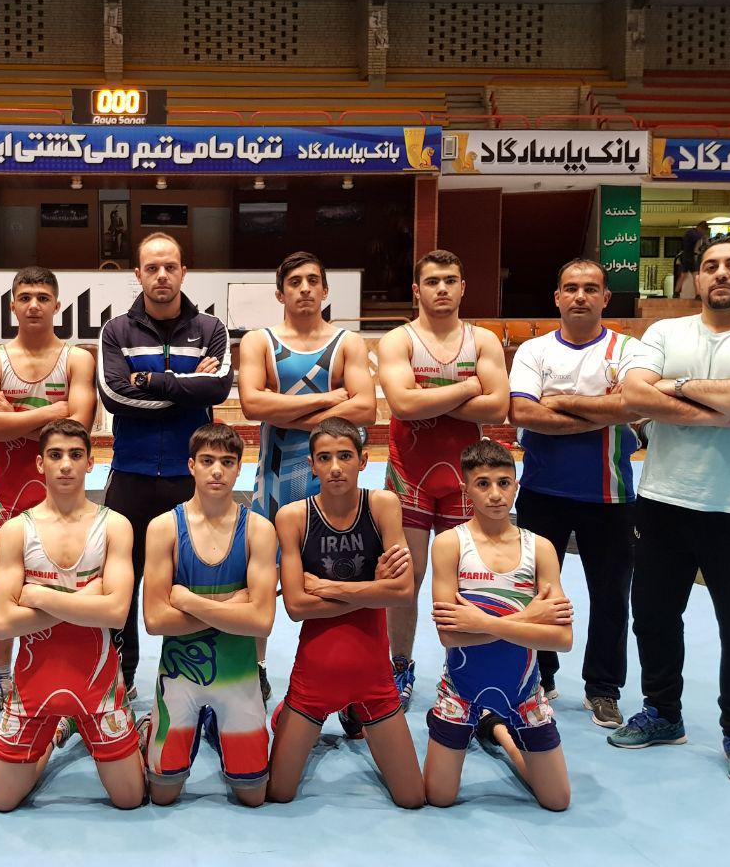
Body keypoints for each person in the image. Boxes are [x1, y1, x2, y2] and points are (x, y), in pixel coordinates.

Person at [616, 233, 730, 788]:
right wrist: (716, 410)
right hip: (663, 501)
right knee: (653, 617)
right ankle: (662, 712)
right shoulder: (664, 332)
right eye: (711, 265)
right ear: (697, 279)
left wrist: (676, 387)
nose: (721, 273)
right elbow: (634, 395)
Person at [97, 232, 233, 695]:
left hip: (191, 479)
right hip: (131, 477)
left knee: (198, 581)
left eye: (170, 267)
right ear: (138, 274)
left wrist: (150, 380)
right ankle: (121, 679)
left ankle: (195, 680)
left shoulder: (211, 329)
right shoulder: (116, 331)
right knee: (121, 583)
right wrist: (185, 386)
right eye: (152, 268)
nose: (161, 276)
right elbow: (114, 396)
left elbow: (218, 389)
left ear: (183, 272)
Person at [239, 250, 376, 701]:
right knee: (262, 580)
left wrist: (285, 410)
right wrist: (331, 399)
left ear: (325, 290)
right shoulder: (259, 341)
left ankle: (347, 672)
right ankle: (256, 667)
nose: (304, 289)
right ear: (280, 293)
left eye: (313, 281)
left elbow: (366, 409)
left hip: (331, 483)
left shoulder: (347, 342)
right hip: (274, 483)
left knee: (339, 576)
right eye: (294, 282)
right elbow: (253, 405)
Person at [376, 249, 509, 711]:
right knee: (406, 578)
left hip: (466, 481)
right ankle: (399, 665)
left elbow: (498, 408)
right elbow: (402, 405)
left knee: (469, 577)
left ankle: (466, 672)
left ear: (463, 287)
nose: (442, 289)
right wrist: (470, 387)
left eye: (450, 280)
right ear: (417, 290)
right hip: (409, 477)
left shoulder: (482, 340)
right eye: (432, 281)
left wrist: (427, 394)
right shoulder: (399, 340)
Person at [0, 419, 143, 812]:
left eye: (75, 455)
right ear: (40, 463)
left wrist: (38, 595)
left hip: (99, 685)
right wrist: (86, 598)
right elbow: (3, 623)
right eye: (55, 455)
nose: (66, 465)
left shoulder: (115, 526)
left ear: (90, 462)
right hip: (33, 685)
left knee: (129, 799)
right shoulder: (16, 531)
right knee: (1, 799)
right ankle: (58, 731)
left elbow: (116, 613)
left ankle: (95, 725)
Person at [267, 418, 424, 809]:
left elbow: (404, 592)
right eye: (324, 458)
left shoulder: (382, 505)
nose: (335, 467)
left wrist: (327, 587)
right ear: (312, 465)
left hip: (374, 680)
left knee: (412, 798)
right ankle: (294, 714)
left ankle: (355, 712)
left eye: (345, 456)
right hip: (313, 678)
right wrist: (374, 590)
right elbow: (295, 607)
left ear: (363, 460)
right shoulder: (293, 517)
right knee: (279, 792)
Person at [507, 259, 637, 725]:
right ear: (557, 297)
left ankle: (603, 687)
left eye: (590, 288)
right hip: (542, 491)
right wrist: (602, 410)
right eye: (571, 288)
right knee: (536, 590)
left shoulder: (628, 349)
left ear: (606, 298)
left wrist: (560, 403)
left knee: (611, 596)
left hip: (610, 494)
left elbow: (632, 407)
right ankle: (539, 677)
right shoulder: (534, 350)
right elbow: (524, 413)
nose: (580, 296)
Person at [0, 266, 95, 717]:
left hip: (62, 493)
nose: (34, 305)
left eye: (43, 297)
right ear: (12, 306)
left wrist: (13, 414)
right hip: (7, 495)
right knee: (0, 586)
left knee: (68, 579)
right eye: (25, 297)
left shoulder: (77, 359)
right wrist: (51, 410)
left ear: (57, 305)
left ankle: (65, 670)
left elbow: (78, 428)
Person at [423, 439, 572, 812]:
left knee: (556, 800)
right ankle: (489, 725)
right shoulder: (450, 544)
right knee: (439, 797)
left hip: (525, 694)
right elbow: (449, 634)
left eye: (504, 483)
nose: (495, 494)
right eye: (483, 484)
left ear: (516, 486)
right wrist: (528, 618)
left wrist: (481, 622)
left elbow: (562, 639)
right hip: (460, 691)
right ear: (466, 490)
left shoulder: (539, 549)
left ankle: (498, 731)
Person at [141, 423, 278, 807]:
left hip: (240, 680)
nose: (217, 470)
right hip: (178, 679)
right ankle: (149, 729)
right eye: (207, 461)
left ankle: (217, 723)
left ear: (239, 468)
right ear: (191, 465)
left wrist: (187, 600)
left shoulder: (259, 530)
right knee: (163, 795)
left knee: (253, 796)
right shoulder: (164, 528)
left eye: (227, 462)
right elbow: (154, 621)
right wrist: (234, 605)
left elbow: (262, 622)